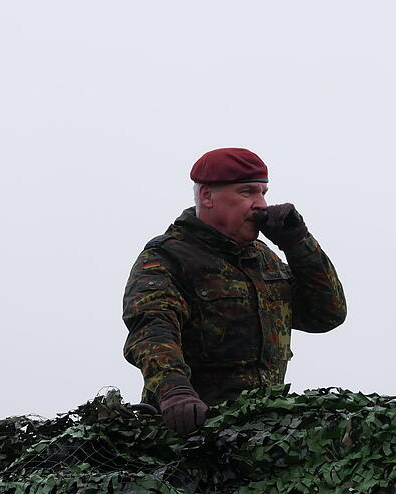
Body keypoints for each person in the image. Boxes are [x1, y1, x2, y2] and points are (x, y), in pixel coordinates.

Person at [122, 148, 346, 435]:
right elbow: (151, 330)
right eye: (247, 192)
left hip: (263, 431)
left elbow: (326, 315)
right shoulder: (168, 258)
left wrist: (297, 242)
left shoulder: (262, 259)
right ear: (207, 196)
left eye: (263, 192)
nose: (261, 205)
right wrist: (175, 391)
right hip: (190, 431)